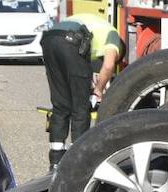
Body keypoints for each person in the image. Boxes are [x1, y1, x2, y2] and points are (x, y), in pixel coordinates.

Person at [40, 13, 123, 169]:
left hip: (49, 39)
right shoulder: (114, 36)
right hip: (71, 40)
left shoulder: (93, 23)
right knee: (80, 106)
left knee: (61, 105)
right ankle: (76, 161)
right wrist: (98, 91)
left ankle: (55, 161)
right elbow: (108, 66)